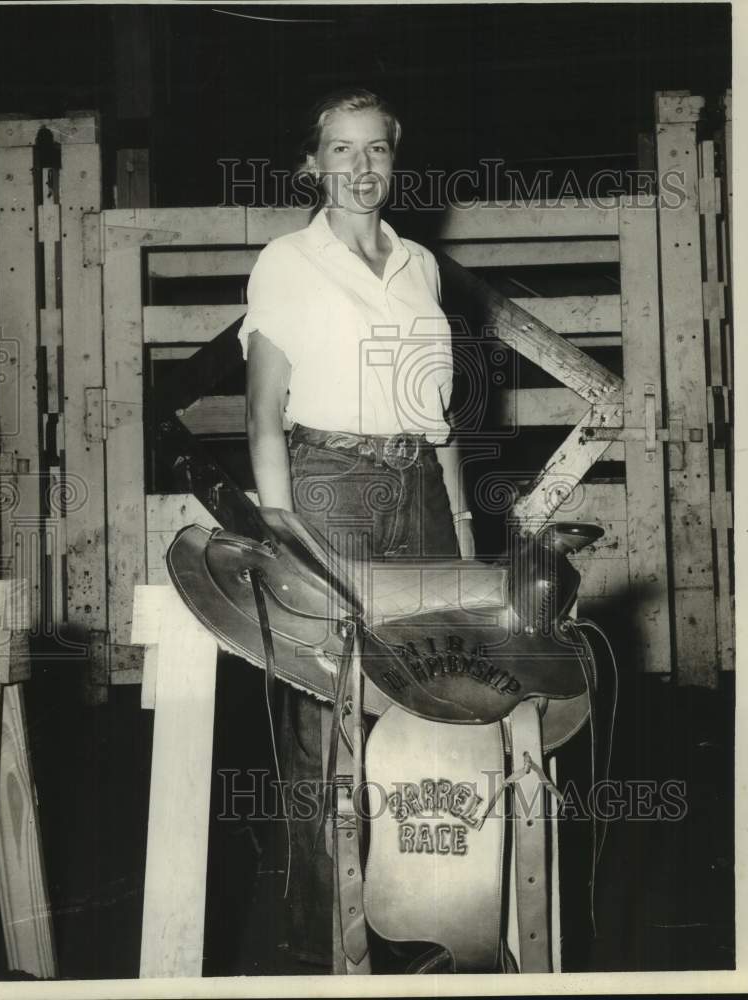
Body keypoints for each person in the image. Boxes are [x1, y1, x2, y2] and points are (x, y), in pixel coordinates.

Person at [237, 88, 474, 969]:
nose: (360, 168)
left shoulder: (420, 265)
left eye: (375, 150)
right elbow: (264, 417)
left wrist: (456, 527)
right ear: (312, 162)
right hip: (328, 486)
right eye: (341, 150)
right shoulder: (286, 263)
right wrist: (282, 529)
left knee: (432, 703)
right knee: (326, 722)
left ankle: (421, 921)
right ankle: (323, 940)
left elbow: (437, 419)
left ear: (394, 158)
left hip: (417, 484)